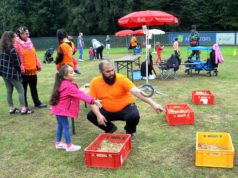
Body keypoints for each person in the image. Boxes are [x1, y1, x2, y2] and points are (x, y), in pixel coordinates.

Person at [87, 60, 163, 138]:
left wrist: (153, 104)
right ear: (101, 72)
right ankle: (110, 129)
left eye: (112, 70)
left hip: (125, 109)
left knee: (134, 115)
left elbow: (136, 92)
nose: (111, 73)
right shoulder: (95, 82)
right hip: (106, 110)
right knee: (91, 115)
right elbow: (92, 101)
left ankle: (129, 131)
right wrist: (99, 115)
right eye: (107, 71)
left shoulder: (121, 78)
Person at [50, 65, 101, 151]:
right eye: (71, 72)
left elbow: (77, 92)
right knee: (66, 126)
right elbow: (80, 94)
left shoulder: (63, 82)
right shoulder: (69, 86)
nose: (74, 73)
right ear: (65, 76)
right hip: (61, 110)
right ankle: (69, 146)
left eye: (73, 71)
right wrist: (93, 101)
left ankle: (58, 143)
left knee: (60, 125)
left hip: (57, 109)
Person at [0, 31, 33, 114]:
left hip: (4, 73)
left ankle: (11, 108)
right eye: (14, 37)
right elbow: (17, 63)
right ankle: (23, 109)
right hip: (12, 74)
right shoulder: (12, 49)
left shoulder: (1, 49)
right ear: (10, 38)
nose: (16, 39)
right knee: (21, 90)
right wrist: (21, 73)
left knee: (9, 90)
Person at [15, 26, 47, 109]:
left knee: (34, 88)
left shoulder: (29, 42)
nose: (28, 35)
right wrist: (21, 68)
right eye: (26, 33)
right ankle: (24, 106)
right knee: (23, 89)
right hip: (24, 71)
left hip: (33, 69)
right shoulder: (16, 44)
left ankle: (37, 103)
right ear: (20, 34)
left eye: (28, 33)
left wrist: (38, 64)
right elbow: (16, 58)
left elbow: (34, 54)